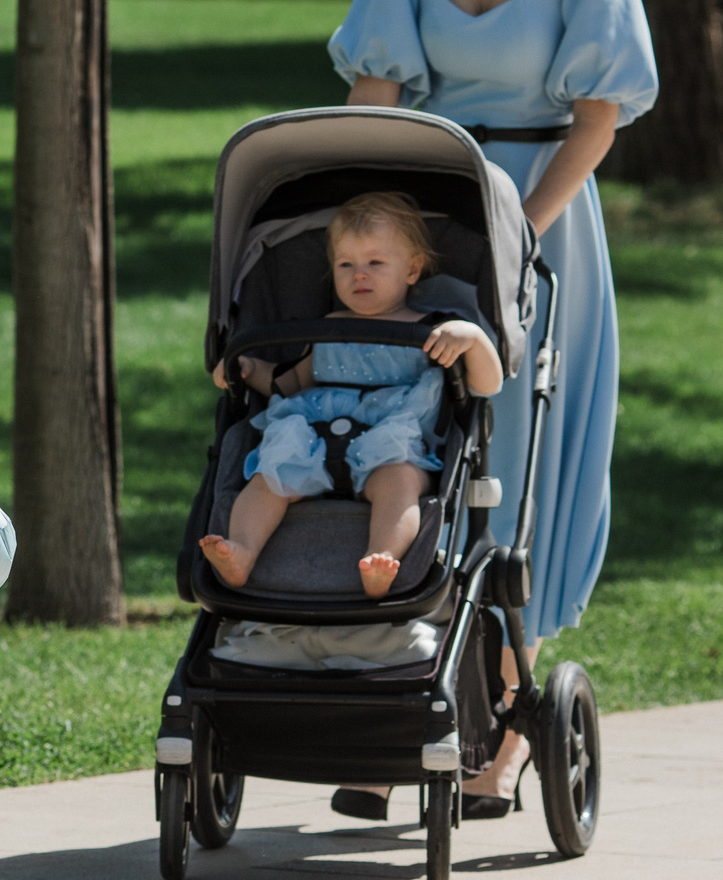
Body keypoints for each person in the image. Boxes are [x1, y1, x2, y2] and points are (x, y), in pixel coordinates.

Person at [326, 0, 659, 821]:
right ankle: (402, 710)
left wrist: (514, 233)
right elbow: (373, 94)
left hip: (540, 225)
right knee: (412, 448)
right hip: (423, 217)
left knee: (512, 467)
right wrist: (368, 231)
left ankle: (506, 728)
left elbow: (597, 120)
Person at [201, 192, 503, 596]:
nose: (359, 275)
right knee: (269, 477)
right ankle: (242, 549)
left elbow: (488, 385)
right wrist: (250, 370)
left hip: (390, 447)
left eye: (375, 263)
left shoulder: (434, 330)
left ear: (412, 269)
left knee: (400, 484)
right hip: (314, 441)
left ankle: (382, 557)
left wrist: (474, 338)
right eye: (346, 265)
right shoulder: (326, 327)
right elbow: (294, 384)